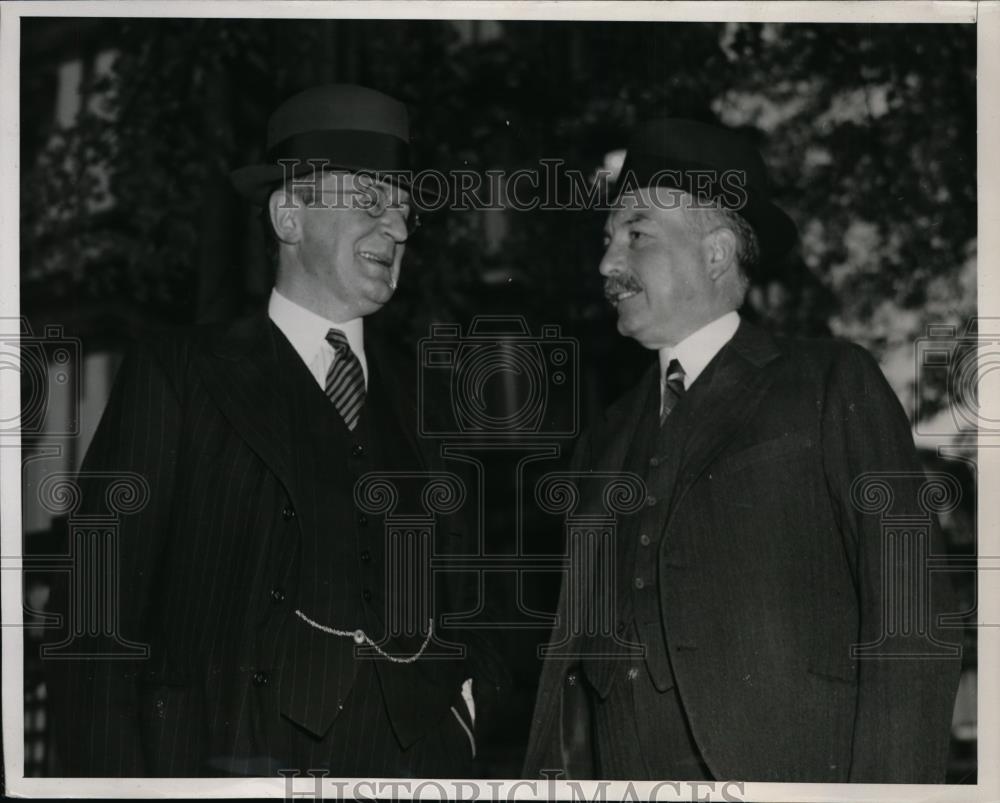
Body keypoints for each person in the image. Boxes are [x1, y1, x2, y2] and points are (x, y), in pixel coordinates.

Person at [46, 84, 496, 778]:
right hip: (224, 758)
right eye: (371, 203)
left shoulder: (432, 398)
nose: (400, 230)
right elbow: (95, 612)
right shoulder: (182, 371)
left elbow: (470, 595)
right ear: (290, 213)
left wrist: (462, 715)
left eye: (405, 210)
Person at [522, 119, 961, 783]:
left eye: (635, 234)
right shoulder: (603, 436)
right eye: (608, 239)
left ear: (718, 252)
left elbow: (910, 614)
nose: (608, 263)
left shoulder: (830, 382)